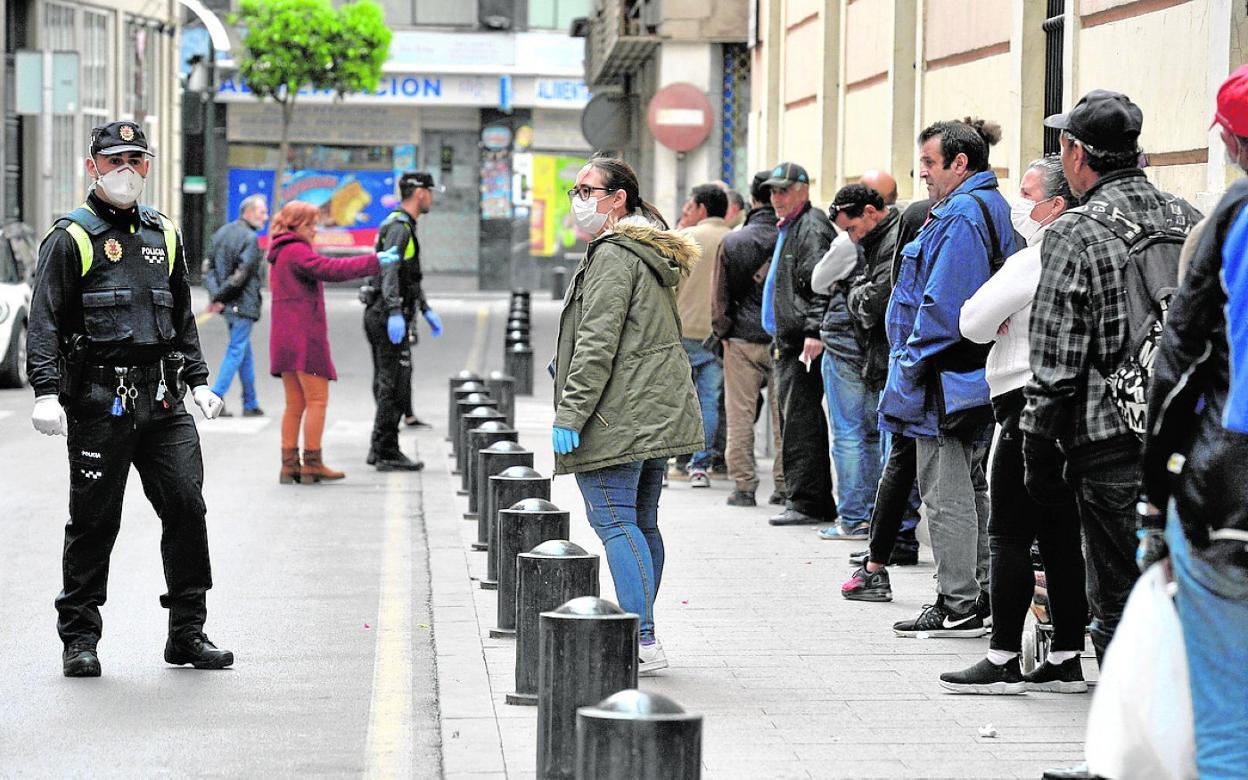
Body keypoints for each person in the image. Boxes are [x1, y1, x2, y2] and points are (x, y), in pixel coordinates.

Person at [27, 121, 231, 677]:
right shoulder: (71, 237)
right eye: (114, 160)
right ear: (91, 166)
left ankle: (187, 632)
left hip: (163, 401)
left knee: (186, 506)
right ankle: (79, 638)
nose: (126, 170)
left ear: (147, 166)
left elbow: (182, 316)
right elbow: (44, 321)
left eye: (136, 160)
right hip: (99, 401)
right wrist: (45, 392)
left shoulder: (164, 234)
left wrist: (199, 381)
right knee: (95, 522)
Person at [1021, 90, 1201, 662]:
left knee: (1120, 602)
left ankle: (1131, 717)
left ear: (1077, 154)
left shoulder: (1075, 231)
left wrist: (1036, 447)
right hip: (1189, 437)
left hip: (1107, 443)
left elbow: (1056, 359)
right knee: (1182, 594)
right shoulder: (1190, 218)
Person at [939, 157, 1089, 694]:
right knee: (1061, 536)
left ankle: (1002, 657)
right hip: (1075, 406)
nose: (1017, 205)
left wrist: (998, 320)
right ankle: (1066, 657)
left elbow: (972, 320)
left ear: (1055, 205)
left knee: (1008, 532)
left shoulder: (1035, 257)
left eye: (1027, 194)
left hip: (1022, 402)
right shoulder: (1088, 251)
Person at [551, 157, 703, 675]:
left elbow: (597, 344)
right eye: (575, 190)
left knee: (616, 523)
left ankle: (641, 637)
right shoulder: (644, 251)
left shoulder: (615, 255)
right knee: (640, 523)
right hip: (651, 409)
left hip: (618, 412)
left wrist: (571, 414)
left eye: (587, 190)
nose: (579, 199)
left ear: (618, 199)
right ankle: (641, 632)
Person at [1141, 63, 1248, 776]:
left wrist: (1154, 503)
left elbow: (1178, 370)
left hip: (1231, 495)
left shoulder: (1231, 220)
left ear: (1232, 141)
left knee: (1227, 724)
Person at [882, 119, 1015, 636]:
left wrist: (909, 363)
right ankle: (977, 595)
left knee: (945, 492)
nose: (923, 174)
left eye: (929, 163)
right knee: (970, 486)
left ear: (960, 163)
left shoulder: (961, 213)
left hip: (944, 375)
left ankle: (958, 603)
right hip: (967, 374)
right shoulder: (984, 205)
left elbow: (942, 306)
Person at [267, 201, 398, 484]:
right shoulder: (296, 250)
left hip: (284, 340)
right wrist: (374, 261)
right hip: (304, 339)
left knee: (294, 404)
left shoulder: (279, 251)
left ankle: (289, 465)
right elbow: (330, 268)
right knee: (317, 400)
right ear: (296, 225)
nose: (314, 230)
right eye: (310, 225)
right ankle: (312, 463)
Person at [811, 184, 901, 541]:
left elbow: (819, 281)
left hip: (847, 344)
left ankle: (853, 518)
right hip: (874, 348)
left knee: (849, 434)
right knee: (872, 433)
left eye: (851, 227)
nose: (851, 235)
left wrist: (849, 292)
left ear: (870, 212)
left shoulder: (854, 244)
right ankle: (876, 518)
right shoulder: (896, 233)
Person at [761, 162, 837, 526]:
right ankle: (808, 499)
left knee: (800, 423)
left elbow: (821, 284)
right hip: (789, 341)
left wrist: (813, 332)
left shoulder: (811, 226)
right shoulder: (792, 225)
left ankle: (807, 502)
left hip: (801, 344)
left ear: (803, 190)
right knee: (794, 421)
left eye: (784, 190)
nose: (776, 198)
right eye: (773, 192)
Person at [712, 171, 786, 507]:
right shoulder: (789, 236)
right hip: (781, 337)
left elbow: (720, 297)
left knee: (740, 415)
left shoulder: (734, 241)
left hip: (740, 339)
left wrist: (723, 333)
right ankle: (783, 486)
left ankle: (744, 486)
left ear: (753, 200)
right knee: (782, 416)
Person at [363, 171, 443, 471]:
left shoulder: (399, 223)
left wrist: (424, 308)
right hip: (386, 315)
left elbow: (409, 276)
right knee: (393, 384)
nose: (432, 198)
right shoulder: (400, 228)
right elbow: (390, 271)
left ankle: (378, 447)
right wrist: (395, 311)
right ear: (420, 193)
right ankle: (386, 450)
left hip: (383, 312)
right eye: (430, 192)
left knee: (389, 381)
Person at [673, 183, 732, 487]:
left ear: (701, 208)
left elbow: (669, 284)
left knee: (676, 399)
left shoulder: (685, 239)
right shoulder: (733, 239)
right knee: (710, 400)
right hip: (717, 335)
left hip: (682, 330)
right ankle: (700, 467)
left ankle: (671, 461)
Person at [203, 194, 268, 417]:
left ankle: (250, 402)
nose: (265, 217)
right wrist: (220, 296)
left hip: (229, 304)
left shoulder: (221, 233)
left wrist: (217, 296)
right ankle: (215, 397)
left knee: (243, 351)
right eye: (262, 212)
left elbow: (207, 268)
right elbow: (242, 274)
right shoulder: (250, 238)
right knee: (237, 350)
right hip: (242, 303)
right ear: (248, 213)